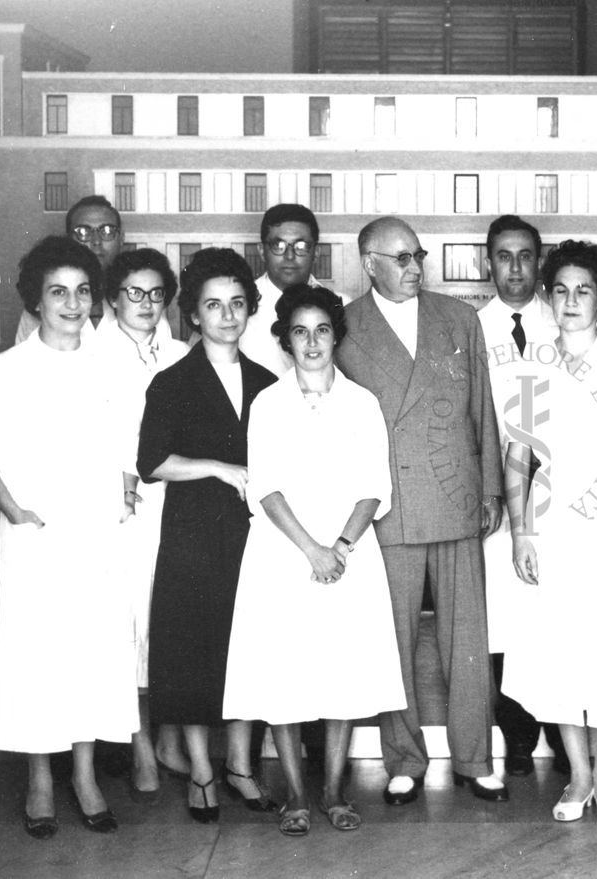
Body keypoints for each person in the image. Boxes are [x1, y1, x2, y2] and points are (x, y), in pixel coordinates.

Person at [0, 236, 138, 838]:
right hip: (35, 538)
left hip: (96, 539)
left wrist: (123, 490)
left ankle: (85, 777)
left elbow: (126, 448)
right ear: (35, 301)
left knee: (90, 655)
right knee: (37, 659)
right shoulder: (8, 372)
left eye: (83, 291)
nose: (72, 302)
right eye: (58, 291)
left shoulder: (107, 366)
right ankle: (40, 780)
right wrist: (17, 511)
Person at [222, 284, 406, 837]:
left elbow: (374, 487)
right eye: (299, 331)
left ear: (336, 336)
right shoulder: (269, 404)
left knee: (341, 673)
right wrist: (311, 550)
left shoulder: (363, 402)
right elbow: (267, 489)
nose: (311, 342)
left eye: (321, 329)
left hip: (348, 557)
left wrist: (341, 549)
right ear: (284, 340)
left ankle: (332, 791)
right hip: (284, 556)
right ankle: (296, 796)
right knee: (286, 675)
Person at [335, 216, 505, 806]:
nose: (415, 267)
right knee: (396, 640)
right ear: (370, 264)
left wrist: (490, 491)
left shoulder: (459, 319)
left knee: (467, 638)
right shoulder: (345, 327)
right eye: (402, 257)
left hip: (457, 496)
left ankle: (476, 759)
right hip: (389, 503)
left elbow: (481, 409)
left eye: (419, 255)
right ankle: (404, 759)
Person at [501, 240, 597, 825]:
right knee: (558, 648)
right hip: (551, 524)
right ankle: (578, 775)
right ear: (547, 296)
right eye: (561, 290)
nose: (571, 302)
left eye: (584, 291)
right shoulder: (532, 364)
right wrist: (521, 532)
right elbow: (518, 455)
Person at [137, 248, 278, 823]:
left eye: (237, 304)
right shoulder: (172, 381)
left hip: (255, 539)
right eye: (213, 305)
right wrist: (219, 469)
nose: (226, 316)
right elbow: (152, 462)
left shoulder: (270, 382)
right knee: (194, 654)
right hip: (194, 538)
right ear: (193, 314)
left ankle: (240, 767)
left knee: (248, 652)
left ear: (250, 310)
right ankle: (201, 773)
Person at [95, 249, 191, 801]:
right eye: (135, 293)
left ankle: (169, 742)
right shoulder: (93, 355)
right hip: (120, 508)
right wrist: (123, 481)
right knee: (125, 627)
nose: (147, 304)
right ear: (113, 297)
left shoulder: (180, 353)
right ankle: (138, 749)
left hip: (173, 506)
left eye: (157, 294)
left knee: (168, 625)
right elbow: (98, 436)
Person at [476, 214, 567, 778]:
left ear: (540, 261)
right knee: (504, 621)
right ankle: (515, 734)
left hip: (556, 495)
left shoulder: (564, 321)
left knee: (554, 610)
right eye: (503, 256)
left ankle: (562, 733)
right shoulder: (467, 325)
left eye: (525, 256)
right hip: (494, 495)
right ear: (489, 262)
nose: (514, 268)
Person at [15, 196, 123, 344]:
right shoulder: (42, 303)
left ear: (121, 238)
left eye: (107, 230)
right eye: (84, 232)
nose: (96, 241)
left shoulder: (143, 296)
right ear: (68, 239)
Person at [238, 203, 330, 376]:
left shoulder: (339, 307)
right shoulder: (238, 309)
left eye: (301, 246)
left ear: (316, 252)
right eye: (278, 246)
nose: (289, 256)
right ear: (262, 251)